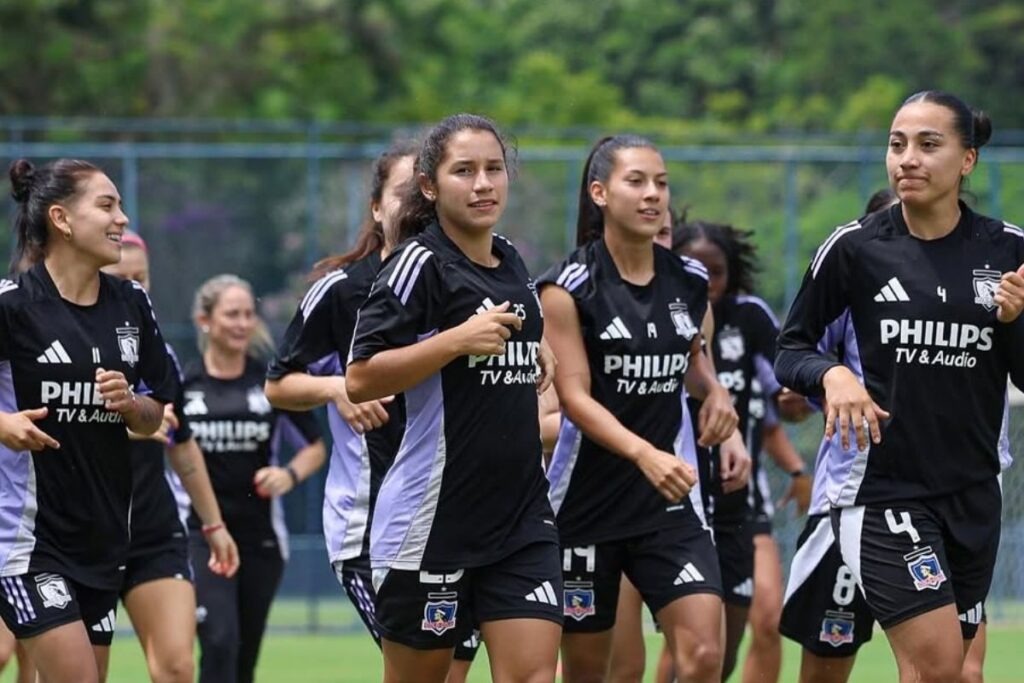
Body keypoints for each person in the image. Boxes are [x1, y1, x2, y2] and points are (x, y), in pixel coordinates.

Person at [775, 90, 1024, 683]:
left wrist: (1015, 326)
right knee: (937, 666)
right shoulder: (854, 248)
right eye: (897, 144)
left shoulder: (1009, 250)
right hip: (883, 493)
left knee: (954, 669)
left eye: (928, 144)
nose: (907, 158)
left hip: (971, 493)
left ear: (967, 160)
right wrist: (832, 375)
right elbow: (792, 349)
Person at [345, 113, 563, 683]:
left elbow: (509, 333)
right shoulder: (419, 265)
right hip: (432, 522)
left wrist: (536, 348)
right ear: (429, 186)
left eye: (494, 169)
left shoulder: (510, 257)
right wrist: (455, 340)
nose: (483, 183)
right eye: (464, 171)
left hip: (520, 519)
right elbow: (361, 377)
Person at [264, 139, 483, 681]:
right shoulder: (341, 292)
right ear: (376, 207)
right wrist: (337, 388)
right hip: (369, 526)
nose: (413, 206)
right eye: (401, 192)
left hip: (458, 517)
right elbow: (278, 385)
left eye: (421, 194)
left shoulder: (463, 280)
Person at [540, 135, 746, 683]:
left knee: (705, 653)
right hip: (585, 504)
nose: (653, 194)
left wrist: (718, 395)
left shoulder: (691, 280)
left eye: (661, 182)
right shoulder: (568, 288)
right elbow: (575, 398)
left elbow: (693, 362)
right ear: (601, 193)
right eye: (637, 181)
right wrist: (643, 454)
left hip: (668, 502)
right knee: (590, 672)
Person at [0, 159, 175, 683]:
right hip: (26, 540)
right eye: (106, 205)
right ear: (61, 218)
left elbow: (154, 417)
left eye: (119, 205)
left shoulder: (131, 305)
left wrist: (130, 404)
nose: (121, 218)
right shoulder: (13, 307)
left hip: (101, 540)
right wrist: (2, 425)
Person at [674, 219, 810, 683]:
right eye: (697, 270)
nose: (708, 283)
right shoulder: (661, 311)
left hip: (740, 500)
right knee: (690, 644)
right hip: (672, 499)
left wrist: (798, 406)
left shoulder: (748, 317)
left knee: (756, 627)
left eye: (717, 271)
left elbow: (781, 404)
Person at [102, 230, 239, 683]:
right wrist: (135, 424)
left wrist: (213, 524)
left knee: (178, 667)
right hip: (80, 532)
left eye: (143, 279)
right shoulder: (63, 346)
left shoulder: (158, 354)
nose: (136, 289)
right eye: (123, 278)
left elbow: (183, 445)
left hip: (152, 530)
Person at [185, 274, 325, 683]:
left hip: (261, 538)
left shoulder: (270, 383)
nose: (243, 323)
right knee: (219, 640)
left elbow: (316, 446)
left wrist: (288, 474)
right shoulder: (185, 384)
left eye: (249, 314)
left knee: (243, 657)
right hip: (201, 534)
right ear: (204, 320)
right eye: (232, 314)